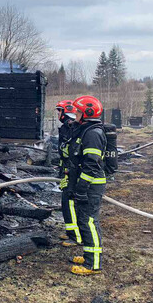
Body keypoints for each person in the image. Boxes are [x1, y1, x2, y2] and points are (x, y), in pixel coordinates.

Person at [67, 95, 107, 276]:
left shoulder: (92, 134)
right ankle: (88, 256)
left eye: (78, 111)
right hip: (85, 184)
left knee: (89, 221)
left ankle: (93, 265)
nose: (75, 114)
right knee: (84, 220)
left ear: (87, 113)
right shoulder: (86, 130)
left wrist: (82, 187)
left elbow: (91, 163)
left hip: (90, 185)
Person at [55, 100, 81, 247]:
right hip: (66, 170)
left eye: (59, 111)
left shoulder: (71, 127)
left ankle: (75, 236)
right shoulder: (67, 127)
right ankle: (71, 231)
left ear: (65, 112)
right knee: (66, 202)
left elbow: (69, 151)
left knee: (69, 202)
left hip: (71, 171)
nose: (58, 114)